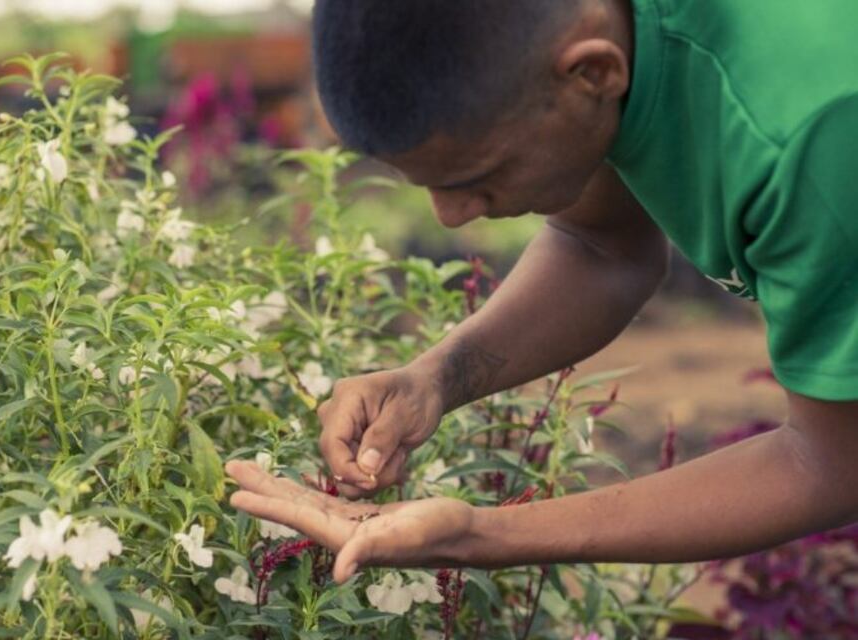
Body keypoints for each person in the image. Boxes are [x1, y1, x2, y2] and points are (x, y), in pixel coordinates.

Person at [225, 0, 858, 585]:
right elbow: (601, 246)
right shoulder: (603, 40)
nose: (450, 217)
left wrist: (478, 535)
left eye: (479, 175)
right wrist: (434, 379)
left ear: (592, 74)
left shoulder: (812, 135)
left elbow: (830, 463)